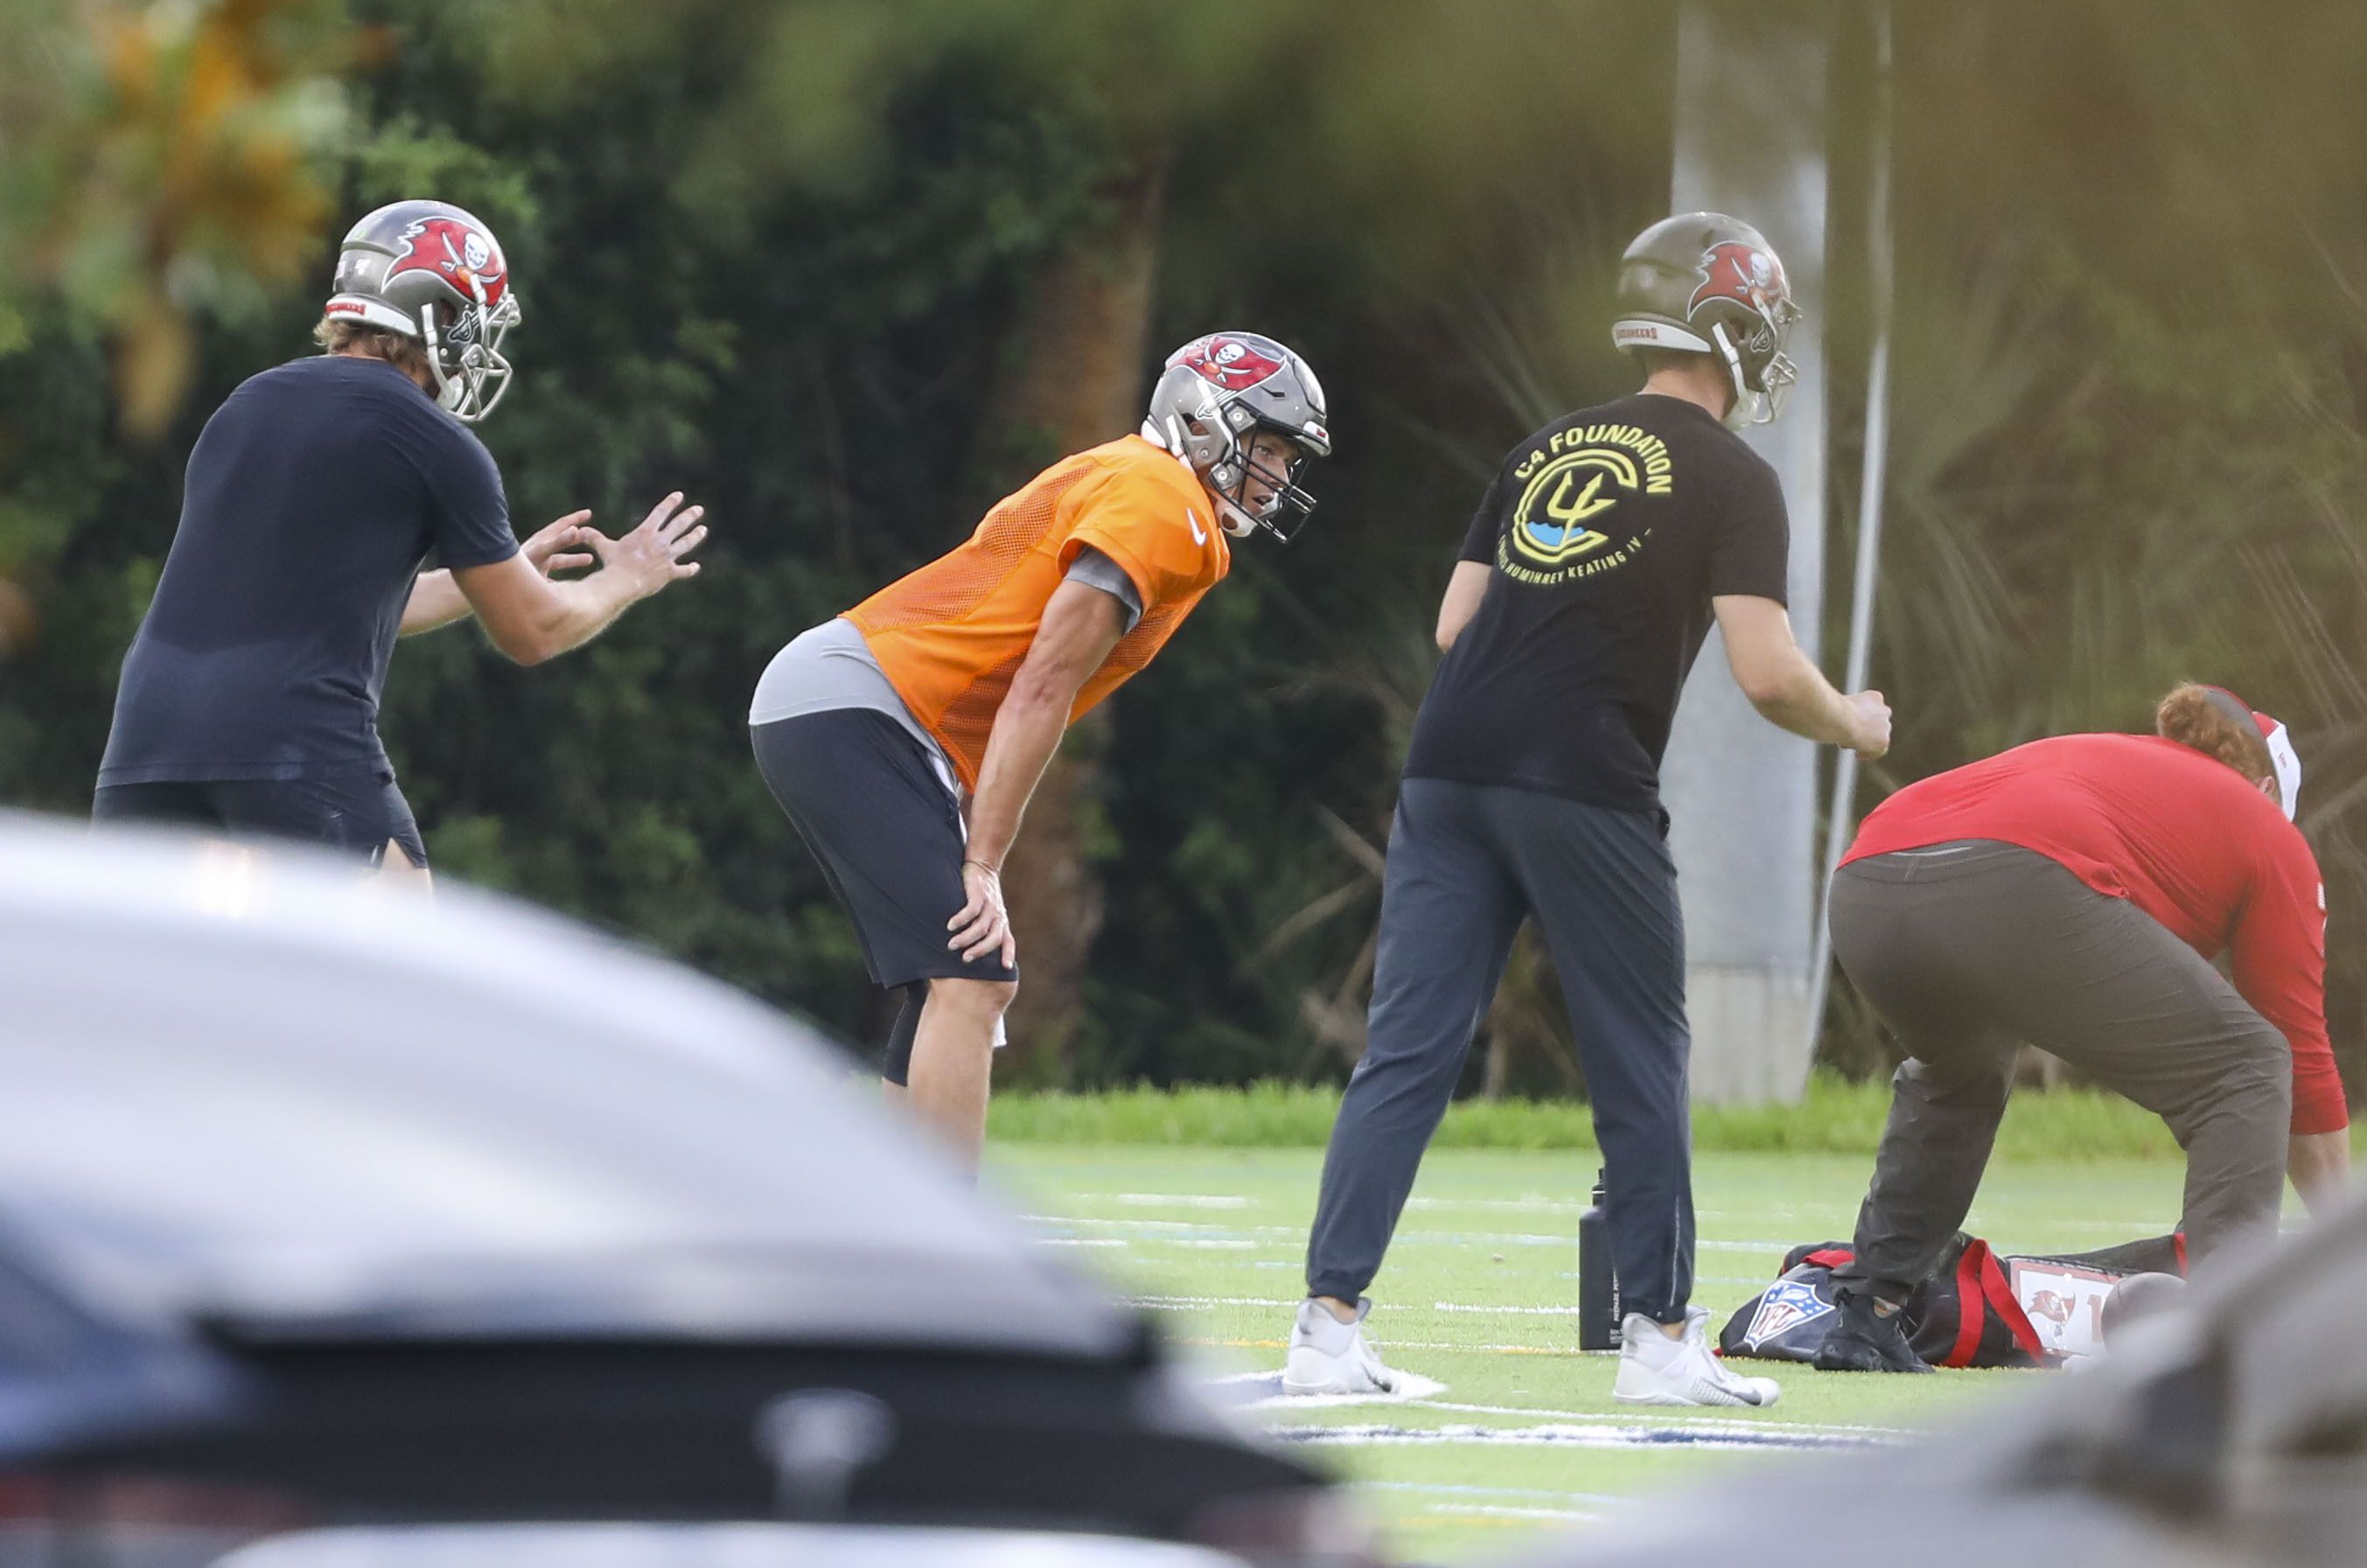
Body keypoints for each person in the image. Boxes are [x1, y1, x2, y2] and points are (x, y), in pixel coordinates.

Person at [1285, 213, 1891, 1406]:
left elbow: (1455, 627)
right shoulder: (1731, 475)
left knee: (1405, 1051)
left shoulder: (1542, 444)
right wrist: (1852, 722)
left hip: (1448, 764)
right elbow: (1768, 673)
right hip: (1578, 777)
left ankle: (1324, 1326)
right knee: (1639, 1051)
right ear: (1731, 327)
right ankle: (1660, 1340)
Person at [751, 332, 1331, 1167]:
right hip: (864, 706)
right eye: (1268, 447)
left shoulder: (1130, 473)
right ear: (1204, 419)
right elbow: (1043, 681)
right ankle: (946, 1253)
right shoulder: (1166, 501)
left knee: (953, 982)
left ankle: (897, 1229)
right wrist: (983, 861)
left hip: (864, 705)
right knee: (974, 972)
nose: (1277, 476)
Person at [94, 199, 709, 880]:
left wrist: (496, 574)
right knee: (395, 960)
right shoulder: (434, 441)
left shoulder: (246, 404)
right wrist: (627, 574)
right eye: (471, 319)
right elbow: (531, 631)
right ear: (438, 314)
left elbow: (332, 602)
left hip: (147, 733)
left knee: (159, 982)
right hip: (291, 733)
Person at [1812, 683, 2349, 1375]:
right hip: (2016, 881)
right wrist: (2355, 1235)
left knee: (1960, 1071)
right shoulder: (2266, 826)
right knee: (2247, 1066)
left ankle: (1866, 1316)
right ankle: (2228, 1345)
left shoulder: (2120, 766)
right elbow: (2299, 1059)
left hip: (1868, 881)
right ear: (2267, 788)